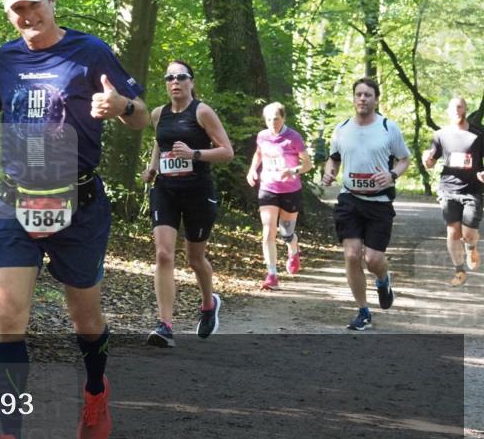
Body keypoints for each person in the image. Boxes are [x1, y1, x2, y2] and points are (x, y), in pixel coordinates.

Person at [0, 0, 149, 439]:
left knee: (85, 319)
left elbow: (141, 115)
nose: (26, 15)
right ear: (8, 13)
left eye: (33, 5)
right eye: (16, 8)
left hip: (78, 205)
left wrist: (121, 106)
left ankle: (96, 388)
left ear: (51, 2)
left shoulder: (89, 52)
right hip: (16, 203)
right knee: (8, 318)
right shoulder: (5, 58)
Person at [140, 60, 234, 348]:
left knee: (195, 259)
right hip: (166, 190)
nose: (175, 82)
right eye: (169, 77)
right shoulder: (159, 114)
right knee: (164, 254)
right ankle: (165, 325)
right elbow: (160, 142)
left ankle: (209, 304)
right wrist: (153, 167)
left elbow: (227, 152)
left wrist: (195, 154)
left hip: (197, 192)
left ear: (191, 82)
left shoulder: (202, 112)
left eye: (181, 77)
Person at [321, 78, 410, 330]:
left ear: (376, 99)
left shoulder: (387, 127)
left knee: (372, 260)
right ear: (353, 98)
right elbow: (334, 159)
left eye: (368, 95)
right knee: (351, 255)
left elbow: (404, 160)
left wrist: (392, 175)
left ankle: (383, 279)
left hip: (379, 203)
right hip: (349, 200)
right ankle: (363, 311)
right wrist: (329, 173)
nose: (362, 98)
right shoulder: (342, 128)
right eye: (358, 94)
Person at [246, 102, 313, 290]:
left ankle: (293, 248)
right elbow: (258, 154)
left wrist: (293, 170)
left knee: (286, 233)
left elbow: (308, 165)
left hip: (290, 190)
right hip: (268, 187)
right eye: (268, 119)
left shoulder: (293, 138)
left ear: (283, 118)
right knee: (268, 231)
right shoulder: (262, 136)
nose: (272, 123)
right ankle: (272, 274)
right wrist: (252, 170)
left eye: (276, 118)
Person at [421, 96, 484, 286]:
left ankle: (471, 248)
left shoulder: (479, 134)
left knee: (468, 234)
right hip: (448, 189)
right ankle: (459, 271)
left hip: (472, 189)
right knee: (452, 233)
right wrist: (427, 160)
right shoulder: (440, 135)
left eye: (460, 106)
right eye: (453, 107)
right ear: (448, 111)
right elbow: (431, 163)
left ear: (465, 109)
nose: (457, 110)